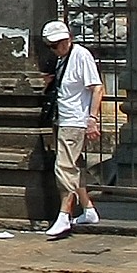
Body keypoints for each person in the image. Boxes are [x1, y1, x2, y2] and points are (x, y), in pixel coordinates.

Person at [45, 19, 103, 238]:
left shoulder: (80, 55)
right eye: (51, 46)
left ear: (68, 39)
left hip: (75, 121)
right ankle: (88, 210)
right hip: (63, 118)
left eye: (57, 44)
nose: (55, 49)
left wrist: (92, 118)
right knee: (74, 167)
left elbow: (96, 88)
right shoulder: (63, 59)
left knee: (64, 167)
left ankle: (64, 214)